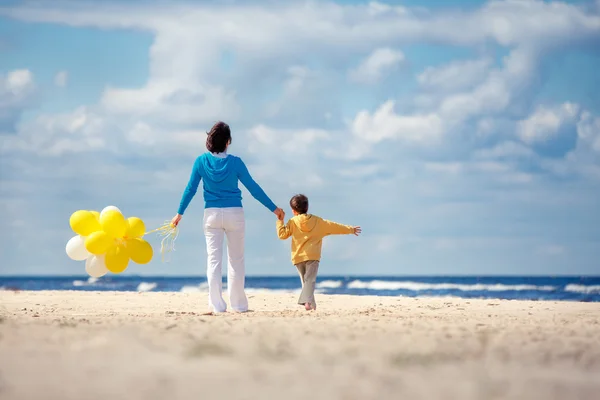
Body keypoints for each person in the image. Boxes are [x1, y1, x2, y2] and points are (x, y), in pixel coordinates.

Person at [171, 121, 284, 313]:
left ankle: (216, 306)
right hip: (234, 214)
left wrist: (179, 213)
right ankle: (239, 305)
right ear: (228, 141)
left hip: (211, 215)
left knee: (213, 261)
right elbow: (253, 188)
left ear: (209, 140)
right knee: (236, 260)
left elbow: (190, 189)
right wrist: (274, 209)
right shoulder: (235, 162)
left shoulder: (201, 162)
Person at [276, 194, 361, 310]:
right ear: (307, 207)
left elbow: (282, 235)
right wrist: (350, 229)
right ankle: (307, 303)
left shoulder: (292, 222)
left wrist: (280, 221)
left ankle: (311, 305)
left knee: (306, 282)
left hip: (297, 257)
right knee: (309, 281)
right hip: (312, 256)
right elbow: (334, 227)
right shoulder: (318, 221)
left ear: (293, 210)